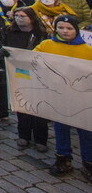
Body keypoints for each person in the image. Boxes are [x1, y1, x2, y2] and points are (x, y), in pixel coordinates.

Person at [33, 14, 92, 180]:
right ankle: (63, 158)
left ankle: (88, 162)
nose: (65, 31)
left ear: (76, 30)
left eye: (69, 28)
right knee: (61, 128)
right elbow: (31, 59)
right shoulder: (46, 45)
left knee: (86, 130)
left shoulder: (87, 50)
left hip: (82, 98)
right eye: (61, 28)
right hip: (58, 96)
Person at [0, 7, 48, 151]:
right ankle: (23, 135)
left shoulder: (41, 35)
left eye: (23, 16)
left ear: (31, 18)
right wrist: (3, 54)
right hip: (17, 73)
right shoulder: (8, 31)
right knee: (22, 105)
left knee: (39, 107)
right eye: (17, 15)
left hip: (37, 75)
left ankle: (41, 139)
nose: (19, 18)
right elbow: (0, 47)